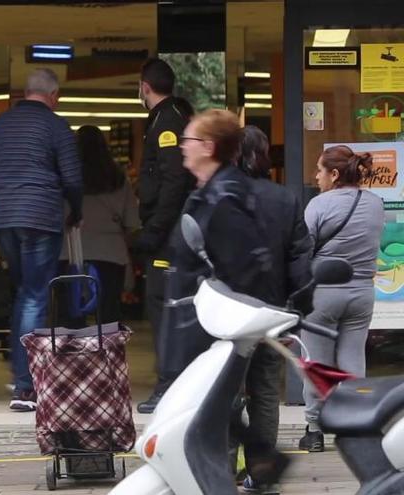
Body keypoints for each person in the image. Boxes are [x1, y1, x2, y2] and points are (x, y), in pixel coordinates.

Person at [167, 109, 287, 491]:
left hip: (221, 329)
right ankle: (253, 463)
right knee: (223, 405)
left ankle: (233, 469)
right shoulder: (211, 191)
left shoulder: (225, 196)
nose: (182, 147)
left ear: (208, 147)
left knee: (218, 407)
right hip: (210, 325)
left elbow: (242, 267)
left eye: (188, 140)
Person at [0, 68, 83, 412]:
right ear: (54, 96)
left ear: (25, 92)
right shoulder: (57, 126)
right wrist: (76, 211)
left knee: (24, 294)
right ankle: (27, 387)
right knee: (35, 297)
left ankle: (20, 374)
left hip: (5, 218)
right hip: (40, 216)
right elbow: (71, 178)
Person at [233, 126, 314, 495]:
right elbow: (300, 256)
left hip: (229, 313)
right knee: (265, 392)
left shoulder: (221, 196)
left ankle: (220, 467)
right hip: (272, 311)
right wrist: (298, 306)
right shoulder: (285, 199)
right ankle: (261, 475)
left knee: (227, 393)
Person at [298, 145, 384, 453]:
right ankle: (356, 426)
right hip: (361, 293)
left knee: (317, 363)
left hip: (323, 294)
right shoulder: (375, 204)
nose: (316, 176)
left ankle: (315, 429)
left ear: (334, 175)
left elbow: (303, 250)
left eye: (320, 170)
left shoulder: (318, 205)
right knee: (352, 359)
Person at [134, 58, 196, 414]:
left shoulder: (167, 121)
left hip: (169, 234)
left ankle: (170, 384)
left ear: (145, 86)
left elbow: (174, 180)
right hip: (170, 230)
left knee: (164, 309)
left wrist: (154, 230)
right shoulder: (170, 116)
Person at [60, 125, 141, 325]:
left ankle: (74, 354)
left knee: (71, 316)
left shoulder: (63, 178)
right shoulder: (119, 178)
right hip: (111, 254)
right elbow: (132, 222)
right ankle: (107, 355)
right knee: (109, 317)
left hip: (69, 251)